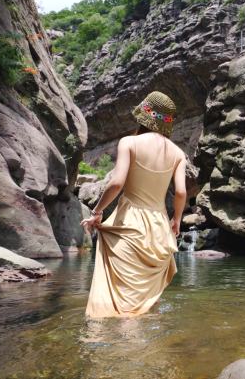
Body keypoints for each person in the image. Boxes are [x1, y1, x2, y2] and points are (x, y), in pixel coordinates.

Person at [80, 91, 187, 318]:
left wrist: (97, 212)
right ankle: (149, 349)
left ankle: (127, 349)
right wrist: (176, 220)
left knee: (126, 303)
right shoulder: (178, 154)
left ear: (144, 116)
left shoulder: (129, 142)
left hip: (130, 223)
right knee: (147, 300)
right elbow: (180, 192)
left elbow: (117, 183)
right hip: (158, 229)